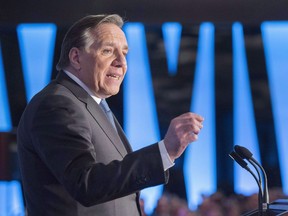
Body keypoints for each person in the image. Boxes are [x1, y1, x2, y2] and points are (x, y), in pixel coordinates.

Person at [17, 14, 204, 216]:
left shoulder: (93, 104)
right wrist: (165, 151)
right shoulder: (57, 105)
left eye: (124, 53)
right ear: (76, 57)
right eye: (108, 51)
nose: (121, 62)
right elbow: (85, 183)